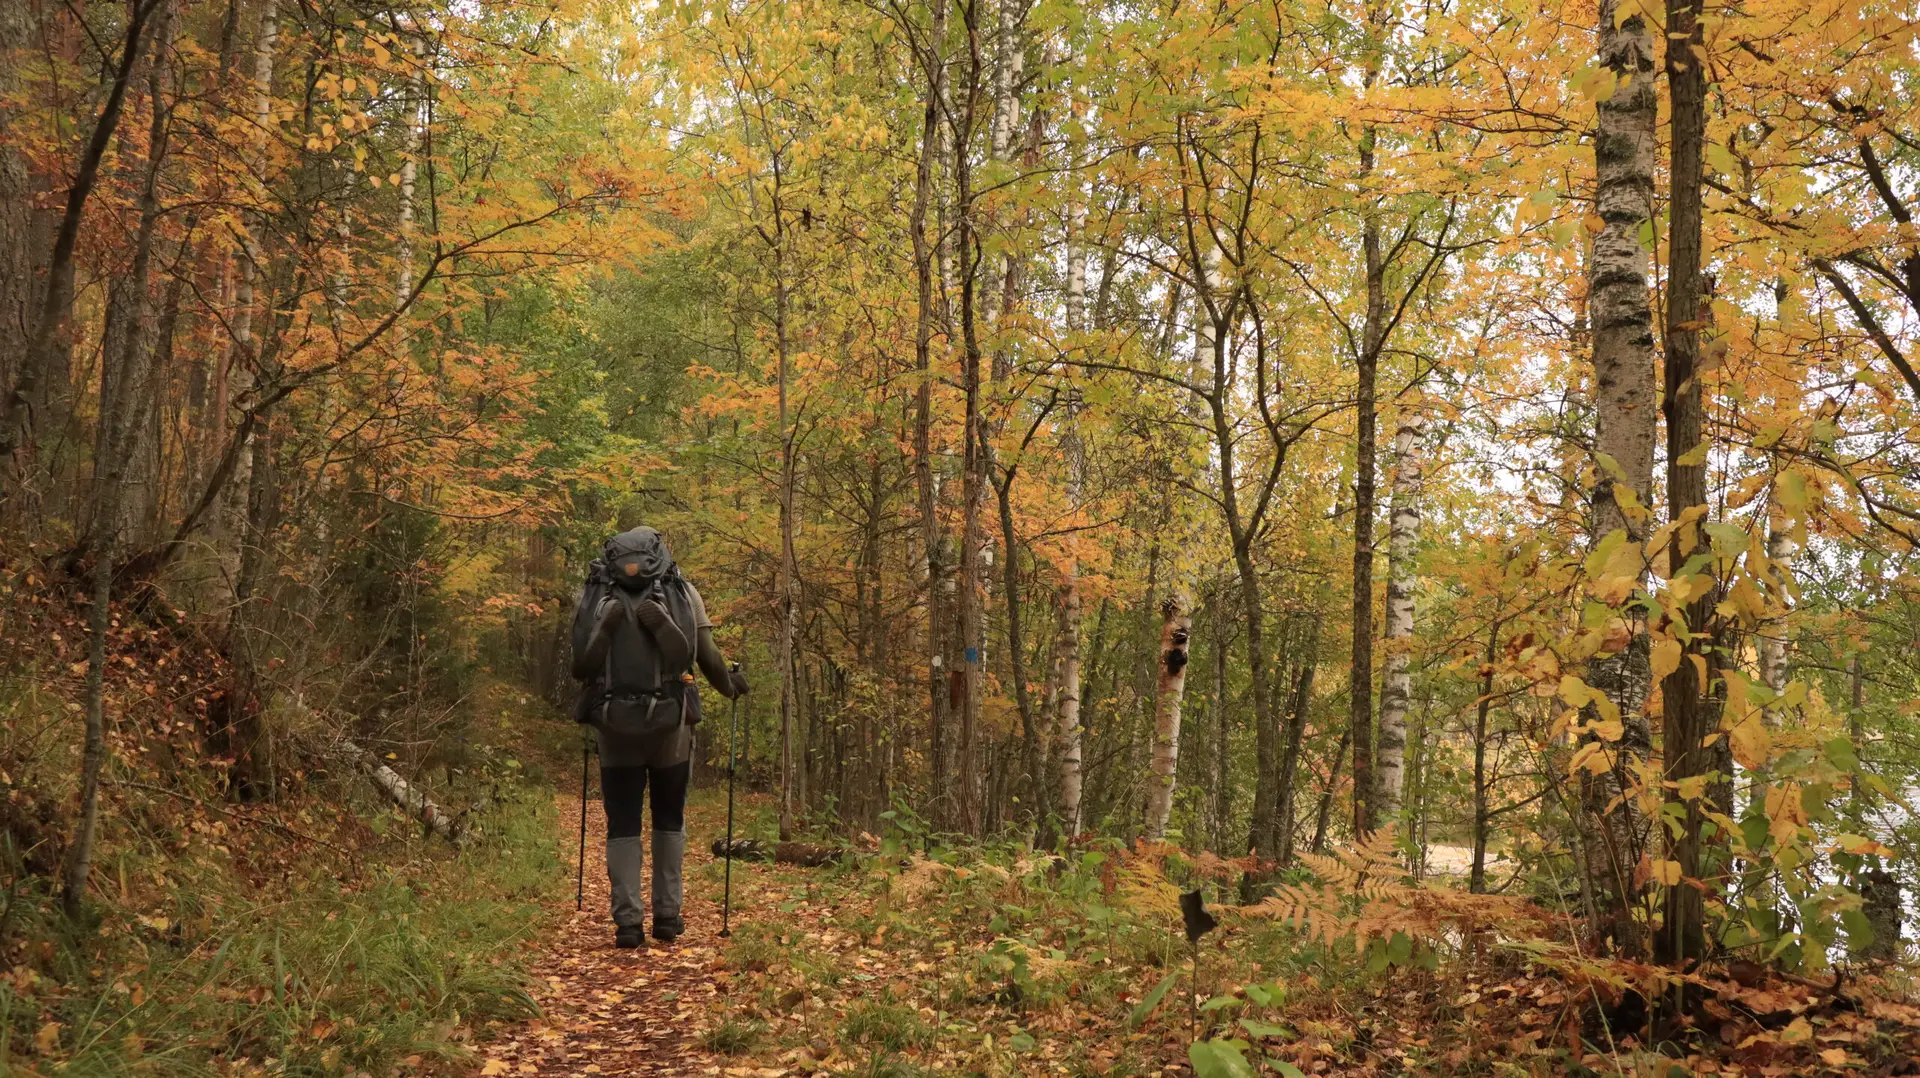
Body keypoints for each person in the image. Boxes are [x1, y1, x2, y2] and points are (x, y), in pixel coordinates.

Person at [573, 526, 747, 947]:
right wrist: (731, 686)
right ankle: (667, 917)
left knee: (623, 822)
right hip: (671, 724)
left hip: (614, 725)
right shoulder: (681, 591)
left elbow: (580, 662)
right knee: (669, 817)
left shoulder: (596, 592)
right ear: (661, 553)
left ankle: (628, 923)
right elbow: (705, 656)